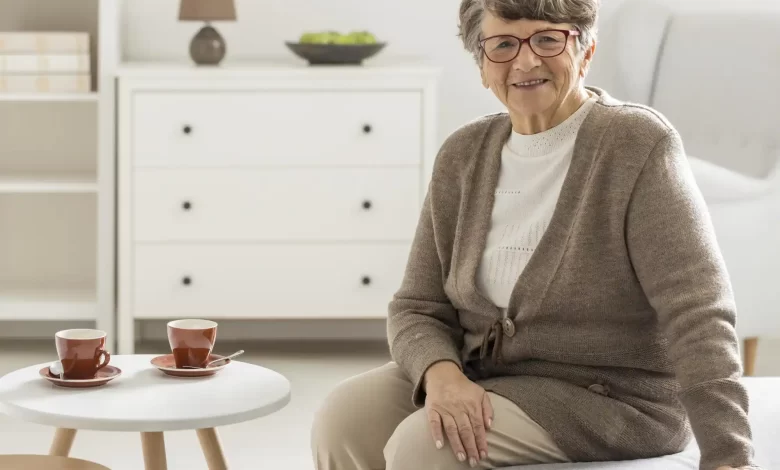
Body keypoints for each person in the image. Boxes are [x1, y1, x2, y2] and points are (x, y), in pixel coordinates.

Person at [310, 0, 760, 469]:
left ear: (584, 52)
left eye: (548, 39)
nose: (526, 60)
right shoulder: (463, 155)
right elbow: (416, 306)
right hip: (479, 373)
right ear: (482, 65)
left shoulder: (637, 144)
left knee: (427, 444)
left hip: (609, 398)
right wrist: (441, 376)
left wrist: (729, 454)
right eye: (503, 44)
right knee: (343, 417)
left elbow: (697, 310)